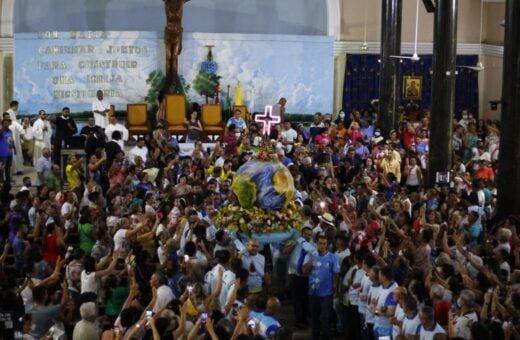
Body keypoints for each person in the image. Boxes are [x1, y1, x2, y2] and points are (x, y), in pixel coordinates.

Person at [302, 235, 340, 340]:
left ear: (327, 245)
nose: (322, 246)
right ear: (316, 244)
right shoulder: (309, 255)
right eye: (320, 243)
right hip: (313, 293)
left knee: (325, 319)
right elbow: (304, 270)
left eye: (324, 244)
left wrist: (336, 290)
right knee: (314, 319)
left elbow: (336, 275)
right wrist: (312, 259)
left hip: (327, 294)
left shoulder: (333, 257)